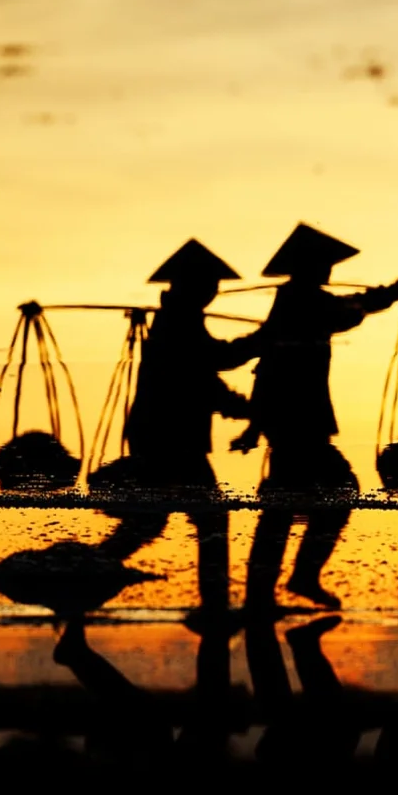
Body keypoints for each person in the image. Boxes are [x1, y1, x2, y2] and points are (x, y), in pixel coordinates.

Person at [233, 223, 398, 612]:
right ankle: (291, 581)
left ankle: (262, 594)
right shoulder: (305, 302)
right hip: (299, 421)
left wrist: (255, 425)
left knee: (282, 504)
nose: (328, 272)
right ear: (310, 267)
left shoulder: (296, 300)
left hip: (288, 421)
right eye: (323, 265)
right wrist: (396, 290)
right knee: (336, 491)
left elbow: (267, 363)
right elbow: (347, 312)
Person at [97, 239, 259, 618]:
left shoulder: (179, 320)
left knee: (149, 520)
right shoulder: (178, 323)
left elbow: (204, 379)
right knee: (211, 517)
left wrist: (243, 407)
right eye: (208, 284)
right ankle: (215, 606)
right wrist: (262, 340)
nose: (213, 292)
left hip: (163, 435)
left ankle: (88, 572)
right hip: (169, 438)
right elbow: (215, 363)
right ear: (190, 285)